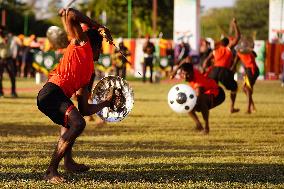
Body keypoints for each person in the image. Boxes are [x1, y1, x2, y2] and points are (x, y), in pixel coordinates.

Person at [37, 8, 114, 183]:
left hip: (58, 96)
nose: (100, 54)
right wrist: (100, 26)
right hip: (51, 92)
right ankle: (50, 171)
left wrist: (106, 103)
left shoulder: (89, 73)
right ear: (94, 45)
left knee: (73, 122)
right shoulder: (82, 44)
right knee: (77, 123)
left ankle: (68, 162)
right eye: (100, 49)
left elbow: (84, 108)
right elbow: (71, 14)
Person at [171, 56, 225, 134]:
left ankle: (206, 128)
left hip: (218, 94)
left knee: (201, 101)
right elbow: (187, 58)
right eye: (183, 74)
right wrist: (175, 71)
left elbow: (198, 97)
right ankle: (198, 125)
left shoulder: (198, 84)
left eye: (187, 74)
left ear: (192, 72)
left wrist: (193, 105)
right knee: (187, 104)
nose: (185, 77)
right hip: (207, 91)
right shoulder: (190, 68)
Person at [203, 18, 241, 113]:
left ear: (220, 43)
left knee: (211, 88)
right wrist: (235, 25)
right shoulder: (228, 49)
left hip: (214, 71)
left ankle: (207, 105)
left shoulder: (215, 50)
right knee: (234, 88)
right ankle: (232, 108)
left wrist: (204, 69)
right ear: (228, 43)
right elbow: (237, 37)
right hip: (224, 71)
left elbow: (206, 61)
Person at [232, 48, 259, 114]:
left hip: (252, 70)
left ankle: (249, 109)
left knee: (247, 88)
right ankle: (252, 107)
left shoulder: (240, 52)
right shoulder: (245, 51)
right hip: (250, 70)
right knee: (245, 89)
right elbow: (255, 55)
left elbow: (234, 63)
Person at [0, 26, 17, 98]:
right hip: (1, 58)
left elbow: (10, 42)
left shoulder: (9, 37)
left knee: (12, 76)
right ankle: (0, 92)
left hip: (9, 58)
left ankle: (13, 92)